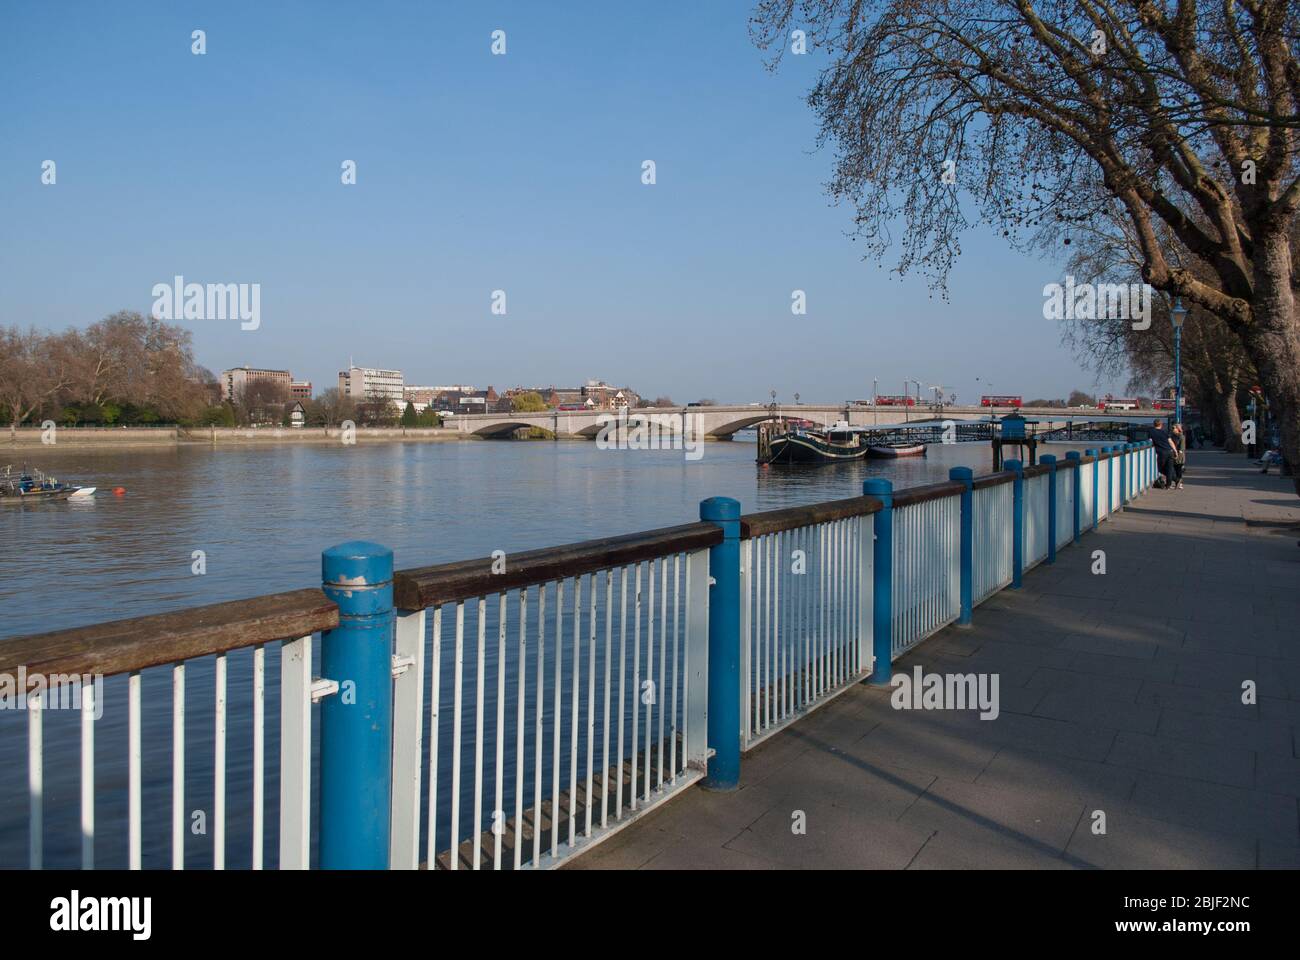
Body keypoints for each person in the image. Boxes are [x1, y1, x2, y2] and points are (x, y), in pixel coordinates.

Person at [1149, 418, 1177, 488]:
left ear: (1154, 424)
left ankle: (1175, 480)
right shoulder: (1165, 432)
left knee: (1160, 468)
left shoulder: (1151, 432)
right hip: (1170, 451)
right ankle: (1169, 484)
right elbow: (1170, 442)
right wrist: (1175, 451)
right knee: (1169, 468)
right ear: (1161, 425)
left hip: (1161, 452)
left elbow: (1149, 441)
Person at [1170, 422, 1187, 489]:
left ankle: (1180, 483)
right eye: (1172, 428)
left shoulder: (1181, 436)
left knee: (1178, 469)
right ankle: (1176, 482)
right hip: (1173, 454)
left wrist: (1178, 454)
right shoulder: (1172, 436)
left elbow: (1182, 447)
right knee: (1173, 469)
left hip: (1179, 456)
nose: (1172, 429)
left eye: (1174, 428)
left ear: (1177, 429)